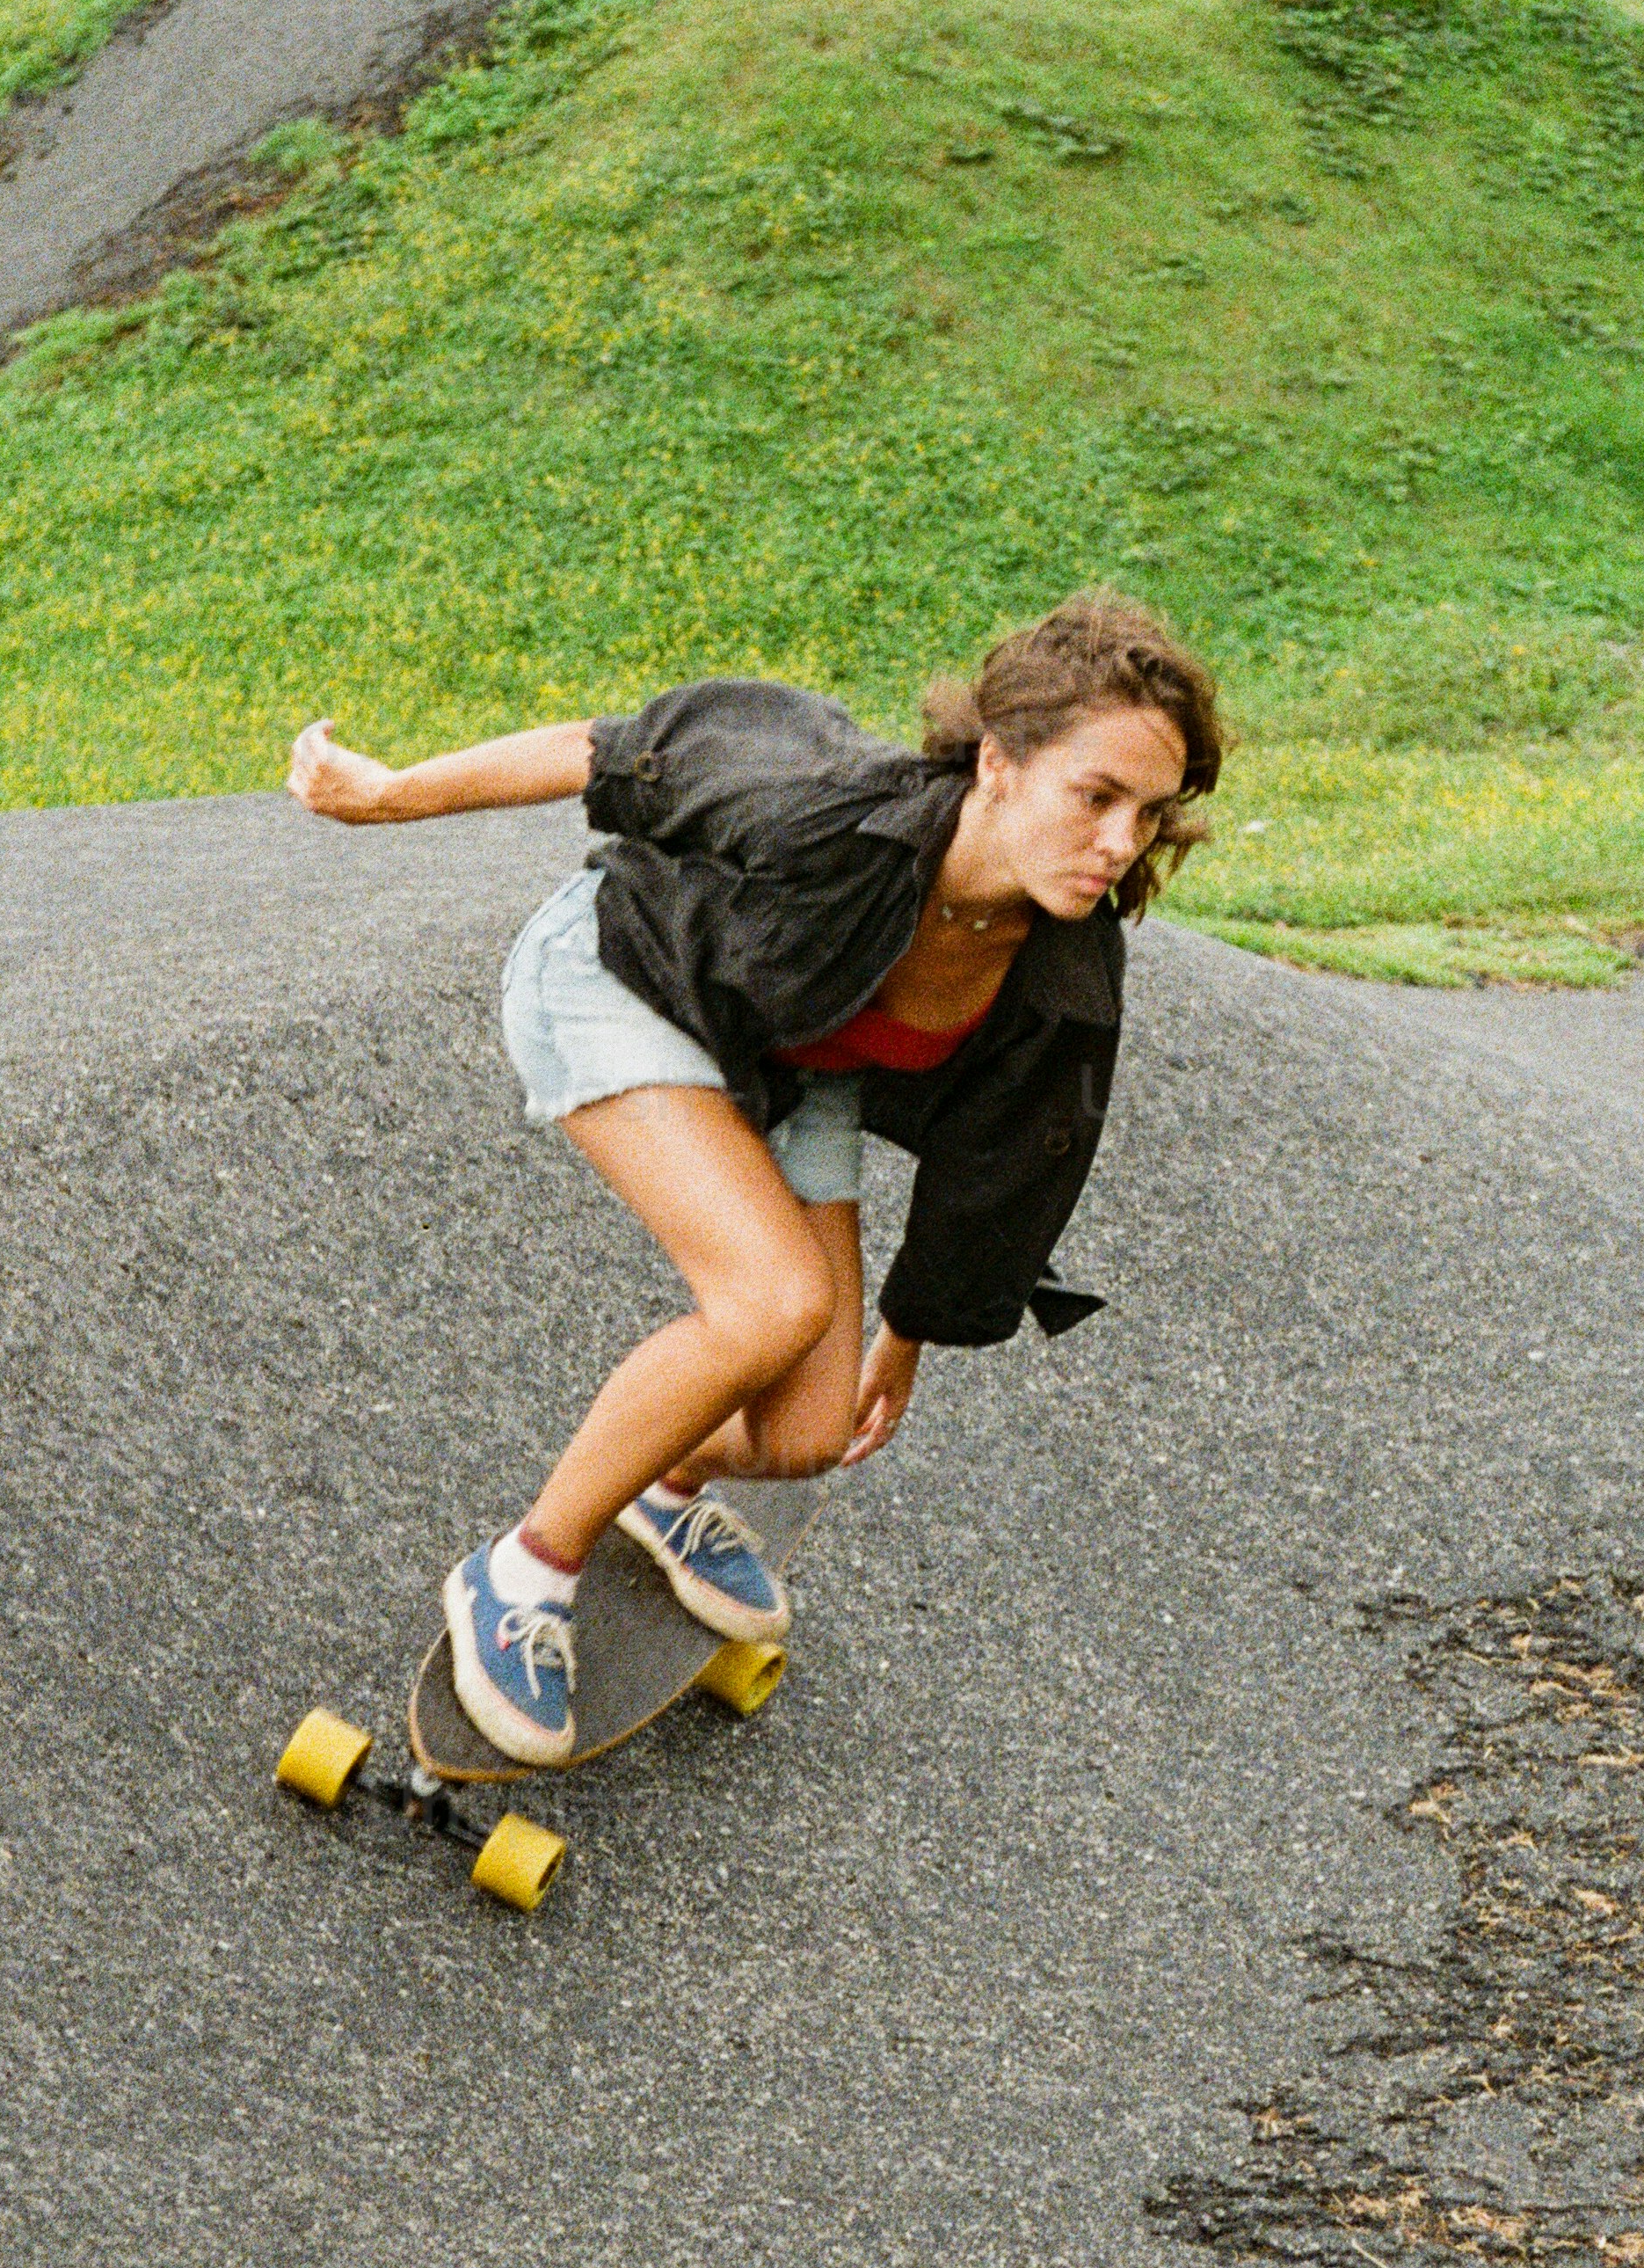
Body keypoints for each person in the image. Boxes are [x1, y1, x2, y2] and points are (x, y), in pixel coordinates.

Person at [287, 592, 1221, 1762]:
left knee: (809, 1433)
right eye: (1096, 797)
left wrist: (911, 1328)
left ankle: (660, 1481)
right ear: (997, 763)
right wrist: (388, 795)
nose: (1122, 843)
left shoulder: (1065, 963)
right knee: (770, 1301)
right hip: (626, 978)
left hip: (787, 1061)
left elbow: (1012, 1162)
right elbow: (610, 750)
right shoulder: (826, 806)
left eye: (1149, 812)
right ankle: (521, 1572)